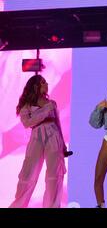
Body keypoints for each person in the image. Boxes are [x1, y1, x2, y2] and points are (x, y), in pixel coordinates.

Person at [10, 74, 70, 208]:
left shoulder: (52, 103)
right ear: (36, 86)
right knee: (28, 173)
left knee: (54, 174)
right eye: (43, 82)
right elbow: (27, 123)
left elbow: (58, 123)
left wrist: (63, 145)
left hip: (53, 135)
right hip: (37, 136)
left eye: (46, 82)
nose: (47, 85)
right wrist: (44, 111)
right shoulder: (27, 105)